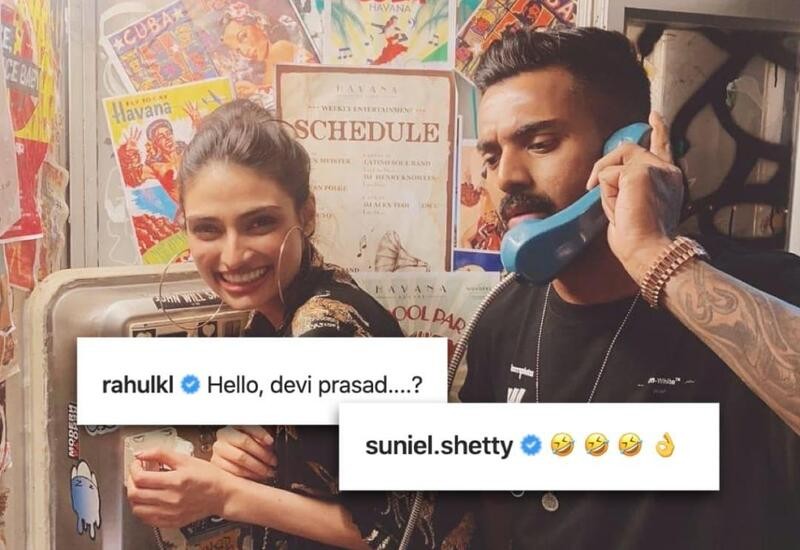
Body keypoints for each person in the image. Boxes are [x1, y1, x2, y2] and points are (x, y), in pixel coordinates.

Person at [460, 28, 800, 548]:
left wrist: (654, 257)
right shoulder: (501, 317)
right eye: (490, 156)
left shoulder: (768, 289)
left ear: (627, 150)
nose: (505, 176)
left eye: (540, 143)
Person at [125, 99, 478, 549]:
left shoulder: (324, 334)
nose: (233, 256)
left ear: (306, 214)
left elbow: (409, 531)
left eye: (259, 223)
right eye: (208, 229)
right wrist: (242, 453)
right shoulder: (275, 315)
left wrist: (225, 495)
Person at [220, 2, 315, 97]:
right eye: (238, 49)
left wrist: (256, 90)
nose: (245, 51)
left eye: (243, 37)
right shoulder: (264, 72)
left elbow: (288, 92)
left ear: (259, 25)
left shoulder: (280, 48)